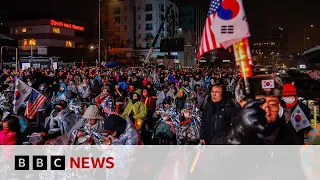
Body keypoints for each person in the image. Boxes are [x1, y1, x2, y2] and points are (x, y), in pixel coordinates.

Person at [213, 74, 286, 144]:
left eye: (272, 104)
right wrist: (238, 135)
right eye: (259, 106)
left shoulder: (290, 135)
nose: (267, 112)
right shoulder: (228, 130)